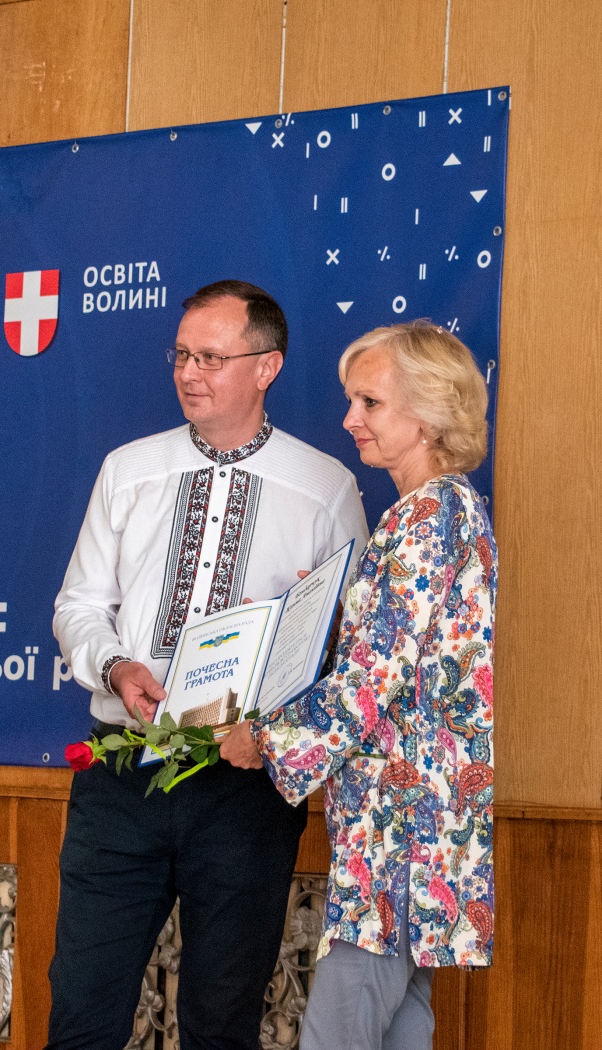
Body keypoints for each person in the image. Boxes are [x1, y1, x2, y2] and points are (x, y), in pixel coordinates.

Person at [48, 280, 369, 1050]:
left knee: (220, 1022)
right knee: (82, 1011)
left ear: (267, 367)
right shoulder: (128, 469)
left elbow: (358, 646)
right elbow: (78, 604)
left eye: (211, 358)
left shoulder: (325, 488)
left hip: (244, 785)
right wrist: (115, 666)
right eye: (182, 355)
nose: (189, 373)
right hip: (122, 776)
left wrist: (314, 635)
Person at [222, 320, 497, 1050]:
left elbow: (368, 680)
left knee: (337, 1035)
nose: (349, 418)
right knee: (402, 1026)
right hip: (418, 827)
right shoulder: (447, 508)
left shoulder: (424, 518)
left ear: (428, 414)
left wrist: (264, 740)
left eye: (370, 402)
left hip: (398, 835)